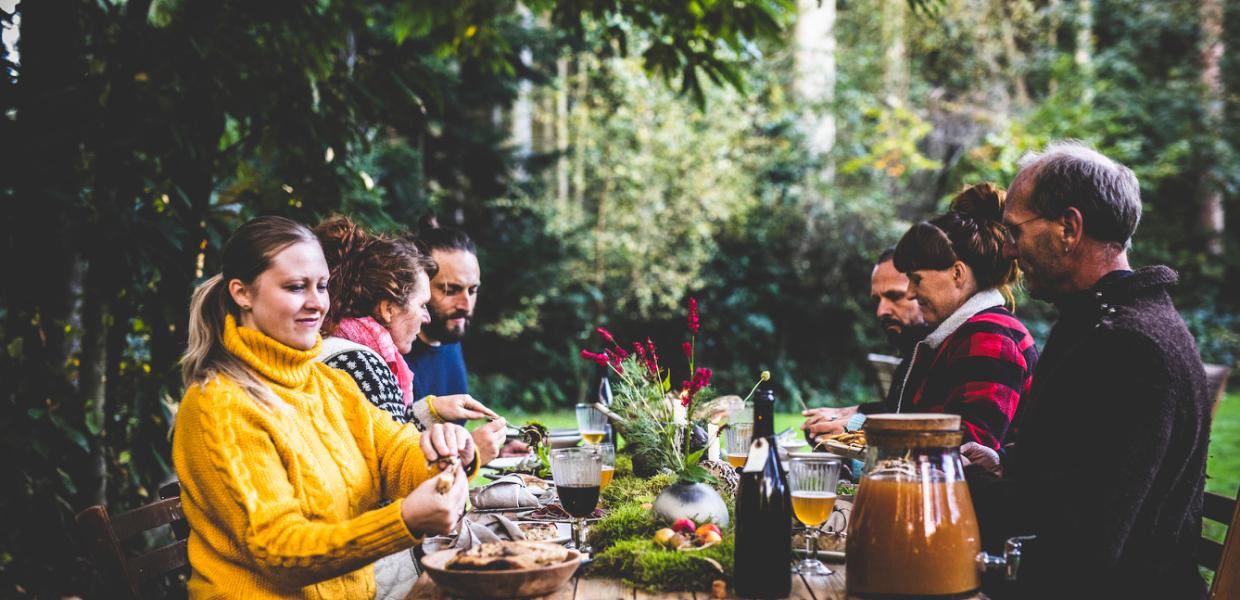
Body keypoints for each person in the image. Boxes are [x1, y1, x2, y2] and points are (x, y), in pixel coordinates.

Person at [173, 216, 476, 599]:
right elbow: (281, 549)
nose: (317, 303)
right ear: (242, 293)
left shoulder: (327, 384)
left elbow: (394, 453)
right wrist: (403, 520)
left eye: (322, 285)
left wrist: (446, 453)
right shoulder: (218, 406)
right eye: (296, 287)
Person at [963, 142, 1211, 598]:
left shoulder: (1129, 344)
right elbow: (1081, 466)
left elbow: (1085, 542)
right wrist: (1004, 465)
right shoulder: (1102, 321)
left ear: (1068, 228)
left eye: (1014, 231)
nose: (1011, 251)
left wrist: (947, 486)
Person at [314, 216, 506, 468]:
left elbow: (388, 439)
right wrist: (470, 456)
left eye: (473, 290)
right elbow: (391, 474)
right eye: (422, 305)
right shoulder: (360, 363)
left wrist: (432, 410)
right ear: (388, 309)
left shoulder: (352, 348)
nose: (426, 317)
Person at [405, 224, 530, 456]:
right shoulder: (392, 353)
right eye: (451, 290)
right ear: (418, 285)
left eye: (472, 290)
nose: (465, 305)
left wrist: (497, 453)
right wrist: (472, 454)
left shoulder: (449, 338)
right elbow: (395, 464)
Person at [801, 247, 930, 443]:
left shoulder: (945, 349)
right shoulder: (915, 352)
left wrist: (851, 426)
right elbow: (895, 409)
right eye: (878, 299)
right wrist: (843, 413)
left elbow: (933, 432)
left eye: (895, 296)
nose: (881, 311)